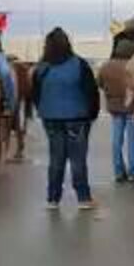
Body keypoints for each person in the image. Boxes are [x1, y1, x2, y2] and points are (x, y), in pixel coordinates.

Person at [33, 28, 100, 210]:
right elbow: (91, 92)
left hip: (51, 117)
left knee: (56, 159)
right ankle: (83, 198)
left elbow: (35, 94)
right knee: (78, 159)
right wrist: (92, 114)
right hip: (77, 117)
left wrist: (44, 110)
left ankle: (52, 199)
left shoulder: (42, 67)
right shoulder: (80, 65)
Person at [98, 36, 134, 183]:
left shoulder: (106, 66)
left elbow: (99, 83)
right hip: (133, 107)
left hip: (114, 108)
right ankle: (133, 170)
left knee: (116, 140)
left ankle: (118, 171)